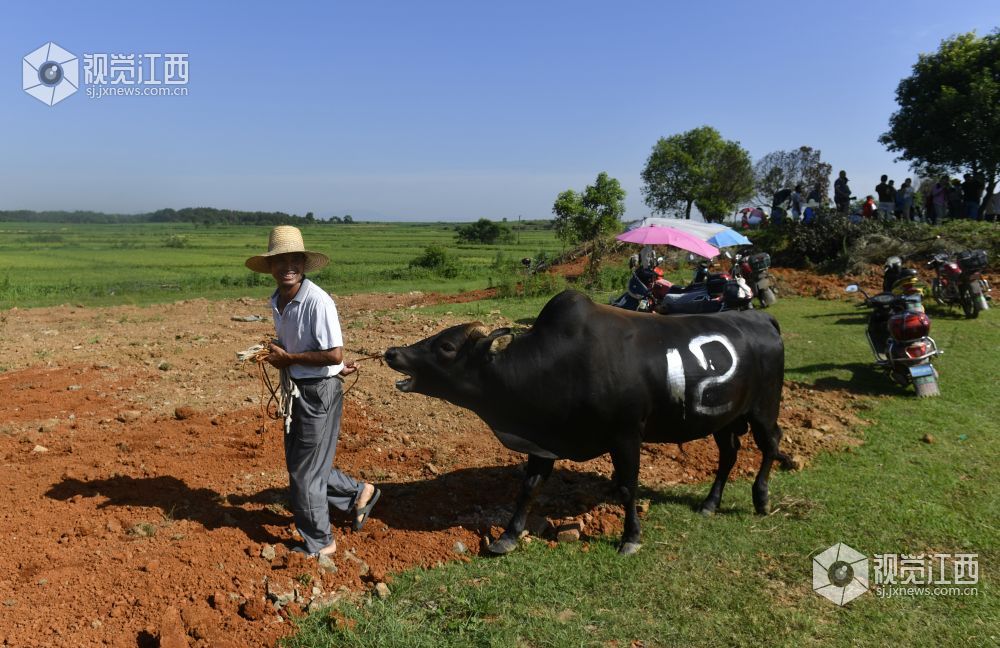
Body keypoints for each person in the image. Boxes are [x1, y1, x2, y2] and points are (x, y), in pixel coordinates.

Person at [245, 225, 380, 558]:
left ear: (303, 265)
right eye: (280, 261)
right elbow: (319, 350)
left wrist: (291, 358)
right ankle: (357, 493)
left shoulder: (317, 301)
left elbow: (333, 352)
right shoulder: (279, 301)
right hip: (299, 388)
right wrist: (277, 350)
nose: (287, 267)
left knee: (305, 474)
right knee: (303, 466)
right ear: (271, 267)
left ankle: (322, 543)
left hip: (318, 391)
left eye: (294, 260)